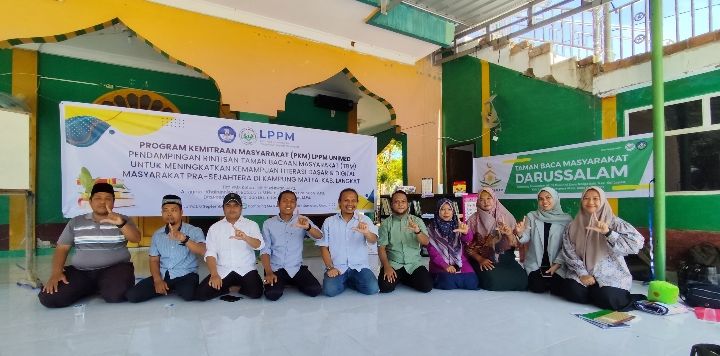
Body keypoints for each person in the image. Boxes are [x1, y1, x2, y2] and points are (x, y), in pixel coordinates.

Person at [38, 182, 141, 308]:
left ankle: (100, 286)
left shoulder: (123, 219)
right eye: (98, 198)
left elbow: (136, 238)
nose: (103, 202)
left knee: (117, 295)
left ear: (113, 203)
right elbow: (62, 248)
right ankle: (92, 287)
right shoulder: (76, 222)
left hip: (115, 268)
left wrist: (120, 223)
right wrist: (56, 272)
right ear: (91, 202)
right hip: (81, 272)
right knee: (50, 298)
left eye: (107, 199)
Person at [560, 186, 645, 311]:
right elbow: (569, 251)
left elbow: (636, 244)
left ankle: (600, 293)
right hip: (583, 271)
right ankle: (595, 292)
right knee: (573, 292)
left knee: (610, 299)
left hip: (610, 274)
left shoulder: (614, 222)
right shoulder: (573, 225)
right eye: (586, 198)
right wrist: (582, 274)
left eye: (595, 198)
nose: (590, 202)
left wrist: (608, 233)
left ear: (603, 201)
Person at [125, 195, 206, 303]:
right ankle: (168, 287)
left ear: (181, 212)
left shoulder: (194, 230)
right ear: (161, 213)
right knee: (133, 295)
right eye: (165, 210)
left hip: (186, 274)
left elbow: (202, 250)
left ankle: (171, 288)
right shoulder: (157, 234)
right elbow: (154, 260)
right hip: (164, 274)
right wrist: (157, 280)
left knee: (189, 294)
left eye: (174, 210)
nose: (169, 213)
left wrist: (184, 239)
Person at [194, 193, 264, 301]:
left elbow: (259, 245)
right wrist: (214, 274)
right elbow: (210, 253)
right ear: (223, 208)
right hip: (223, 270)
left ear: (241, 208)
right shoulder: (215, 228)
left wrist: (246, 237)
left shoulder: (251, 225)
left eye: (235, 205)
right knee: (201, 294)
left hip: (246, 269)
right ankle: (227, 287)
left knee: (256, 293)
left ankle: (235, 288)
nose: (232, 209)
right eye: (228, 205)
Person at [260, 190, 323, 301]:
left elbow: (319, 236)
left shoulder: (303, 220)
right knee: (272, 294)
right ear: (278, 204)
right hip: (275, 268)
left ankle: (290, 281)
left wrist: (308, 227)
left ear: (295, 204)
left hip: (296, 267)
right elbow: (265, 250)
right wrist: (269, 272)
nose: (289, 204)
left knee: (315, 290)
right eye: (285, 201)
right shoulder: (268, 223)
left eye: (292, 201)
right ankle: (270, 280)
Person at [317, 188, 379, 297]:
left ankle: (349, 281)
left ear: (357, 203)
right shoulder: (329, 222)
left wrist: (366, 233)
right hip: (337, 267)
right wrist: (330, 268)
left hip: (360, 266)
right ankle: (345, 280)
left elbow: (373, 240)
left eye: (353, 200)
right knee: (329, 291)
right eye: (346, 200)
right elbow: (323, 247)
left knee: (372, 289)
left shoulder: (364, 220)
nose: (350, 203)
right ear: (339, 202)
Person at [465, 188, 527, 291]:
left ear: (494, 199)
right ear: (478, 202)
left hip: (505, 256)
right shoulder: (473, 220)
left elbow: (515, 244)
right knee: (493, 282)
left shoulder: (506, 216)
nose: (486, 202)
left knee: (522, 281)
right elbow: (467, 246)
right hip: (483, 258)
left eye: (489, 198)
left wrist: (509, 233)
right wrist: (480, 259)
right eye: (482, 199)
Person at [515, 187, 572, 294]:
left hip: (557, 264)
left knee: (558, 290)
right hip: (536, 263)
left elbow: (567, 246)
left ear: (555, 198)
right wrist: (520, 233)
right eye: (541, 199)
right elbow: (525, 238)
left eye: (548, 197)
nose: (544, 201)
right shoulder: (531, 216)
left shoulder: (567, 219)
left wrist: (557, 264)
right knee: (537, 288)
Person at [377, 190, 433, 293]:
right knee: (385, 287)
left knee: (427, 287)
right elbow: (381, 248)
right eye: (396, 202)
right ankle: (401, 277)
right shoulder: (386, 224)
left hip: (413, 264)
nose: (400, 204)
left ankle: (402, 278)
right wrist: (386, 267)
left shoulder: (417, 221)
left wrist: (417, 231)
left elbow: (426, 242)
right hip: (394, 263)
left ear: (407, 204)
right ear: (391, 205)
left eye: (403, 201)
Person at [426, 198, 478, 290]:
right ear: (438, 211)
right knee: (447, 282)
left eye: (449, 209)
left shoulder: (459, 224)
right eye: (442, 209)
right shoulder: (431, 228)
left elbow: (468, 240)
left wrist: (466, 233)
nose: (446, 212)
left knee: (472, 283)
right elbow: (432, 251)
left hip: (460, 261)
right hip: (440, 264)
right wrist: (445, 265)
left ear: (453, 211)